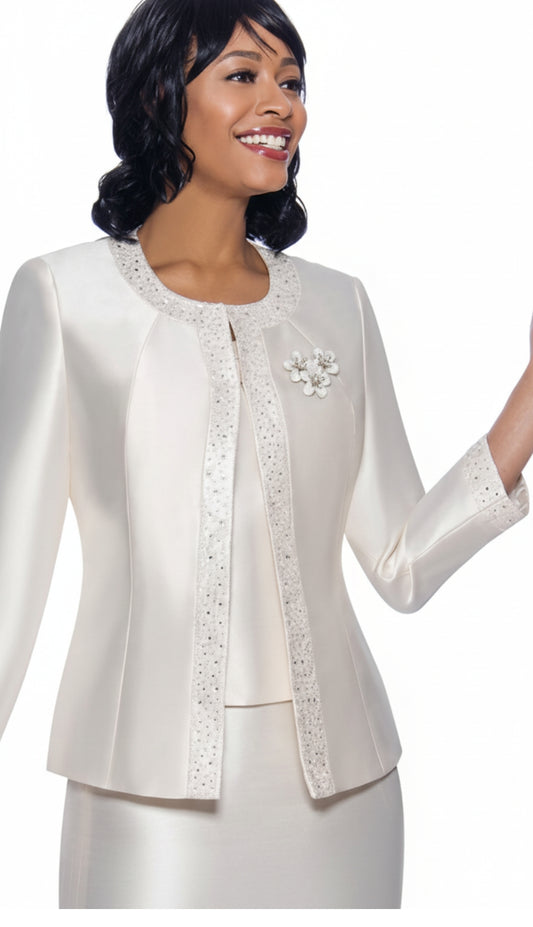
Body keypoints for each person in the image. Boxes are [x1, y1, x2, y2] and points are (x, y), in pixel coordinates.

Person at [0, 0, 532, 909]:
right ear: (160, 96)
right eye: (242, 75)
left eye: (291, 80)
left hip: (346, 789)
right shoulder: (63, 296)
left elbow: (401, 560)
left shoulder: (336, 305)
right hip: (144, 786)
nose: (280, 103)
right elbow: (8, 571)